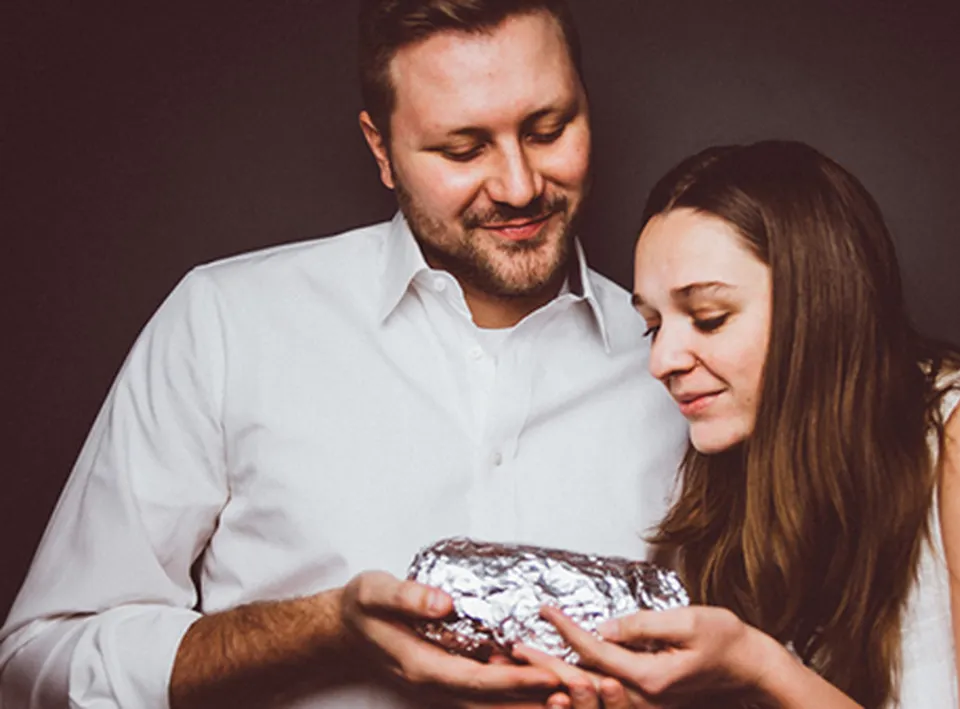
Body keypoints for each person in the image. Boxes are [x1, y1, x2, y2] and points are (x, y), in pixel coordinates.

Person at [0, 1, 687, 708]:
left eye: (548, 130)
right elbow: (36, 663)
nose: (519, 185)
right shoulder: (229, 324)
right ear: (381, 148)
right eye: (463, 149)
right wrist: (321, 630)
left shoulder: (688, 369)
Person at [516, 141, 960, 708]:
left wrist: (762, 668)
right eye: (653, 325)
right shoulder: (742, 477)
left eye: (708, 317)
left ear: (817, 305)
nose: (661, 360)